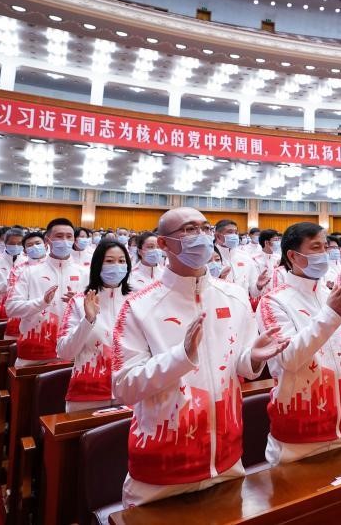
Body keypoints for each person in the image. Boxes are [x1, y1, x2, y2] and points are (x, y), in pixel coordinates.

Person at [112, 207, 288, 506]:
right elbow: (123, 388)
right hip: (161, 472)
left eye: (205, 228)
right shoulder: (139, 306)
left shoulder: (234, 296)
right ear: (164, 244)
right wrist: (180, 357)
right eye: (189, 230)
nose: (202, 237)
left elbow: (240, 364)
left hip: (228, 461)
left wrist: (253, 359)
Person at [256, 222, 341, 464]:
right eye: (316, 247)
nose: (324, 253)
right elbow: (289, 358)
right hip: (298, 436)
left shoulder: (332, 295)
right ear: (293, 256)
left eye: (325, 247)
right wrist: (332, 314)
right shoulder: (273, 301)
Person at [57, 240, 133, 412]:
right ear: (98, 264)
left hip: (130, 392)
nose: (117, 266)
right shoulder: (79, 302)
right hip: (87, 394)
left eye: (122, 261)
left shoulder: (137, 301)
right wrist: (88, 321)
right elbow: (64, 352)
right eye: (109, 261)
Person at [7, 218, 89, 367]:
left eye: (69, 237)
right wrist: (42, 302)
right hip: (34, 352)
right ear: (47, 240)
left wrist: (80, 304)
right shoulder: (29, 272)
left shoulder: (85, 273)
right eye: (59, 236)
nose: (64, 241)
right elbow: (11, 309)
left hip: (73, 351)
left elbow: (96, 315)